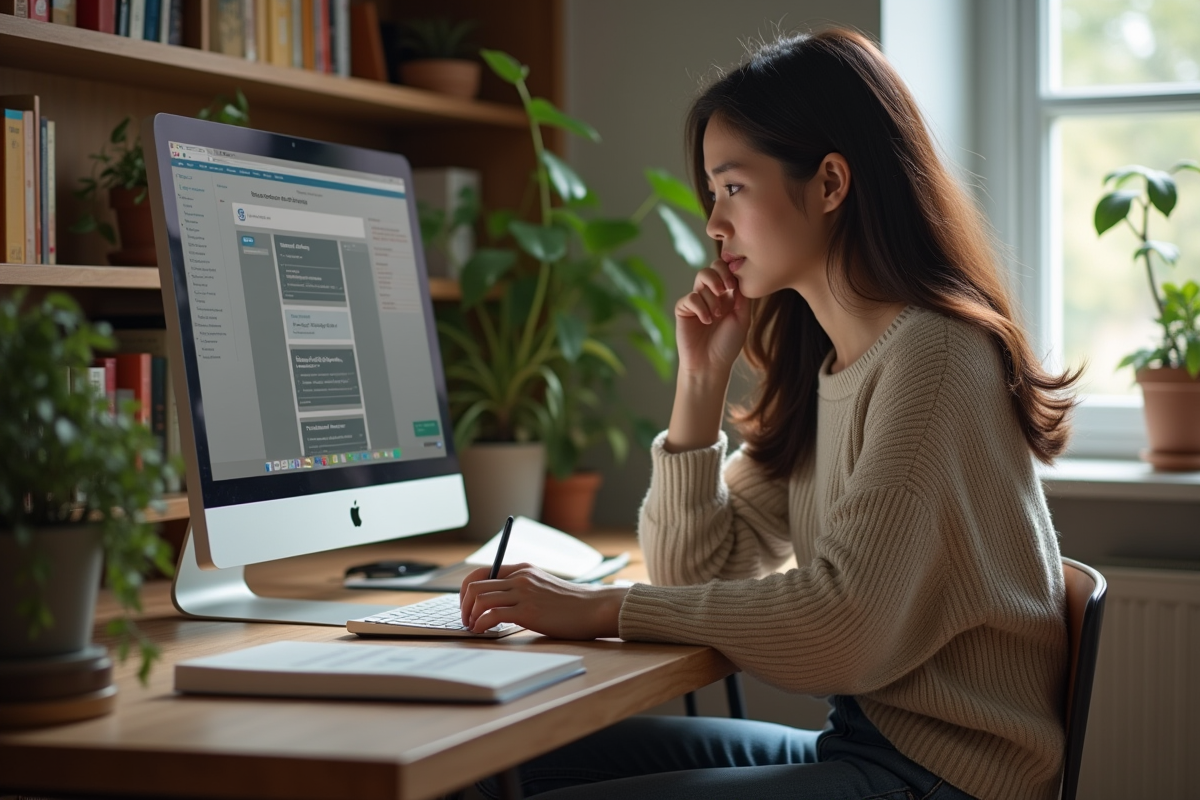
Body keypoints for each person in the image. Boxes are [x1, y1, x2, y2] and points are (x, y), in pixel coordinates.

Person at [458, 28, 1078, 800]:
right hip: (862, 745)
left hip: (945, 776)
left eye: (732, 188)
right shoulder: (835, 361)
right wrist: (700, 383)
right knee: (505, 770)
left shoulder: (936, 356)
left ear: (829, 183)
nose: (714, 224)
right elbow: (697, 573)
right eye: (712, 194)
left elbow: (843, 626)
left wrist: (607, 608)